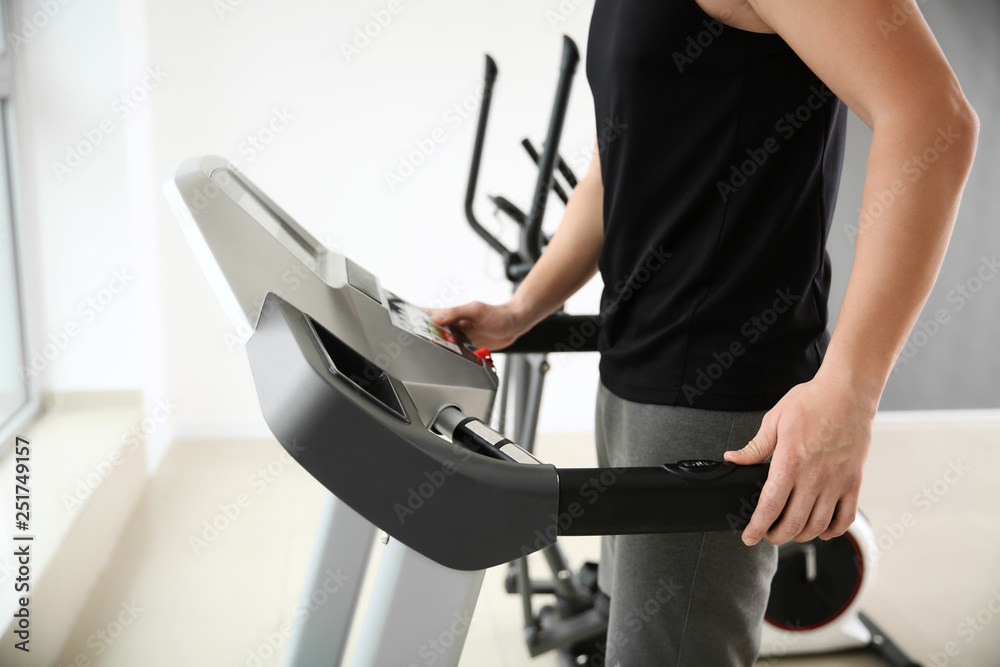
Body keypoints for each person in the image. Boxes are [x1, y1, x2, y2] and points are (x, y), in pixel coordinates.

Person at [431, 0, 979, 664]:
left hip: (716, 399)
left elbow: (932, 120)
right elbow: (621, 160)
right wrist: (523, 308)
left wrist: (849, 390)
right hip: (633, 370)